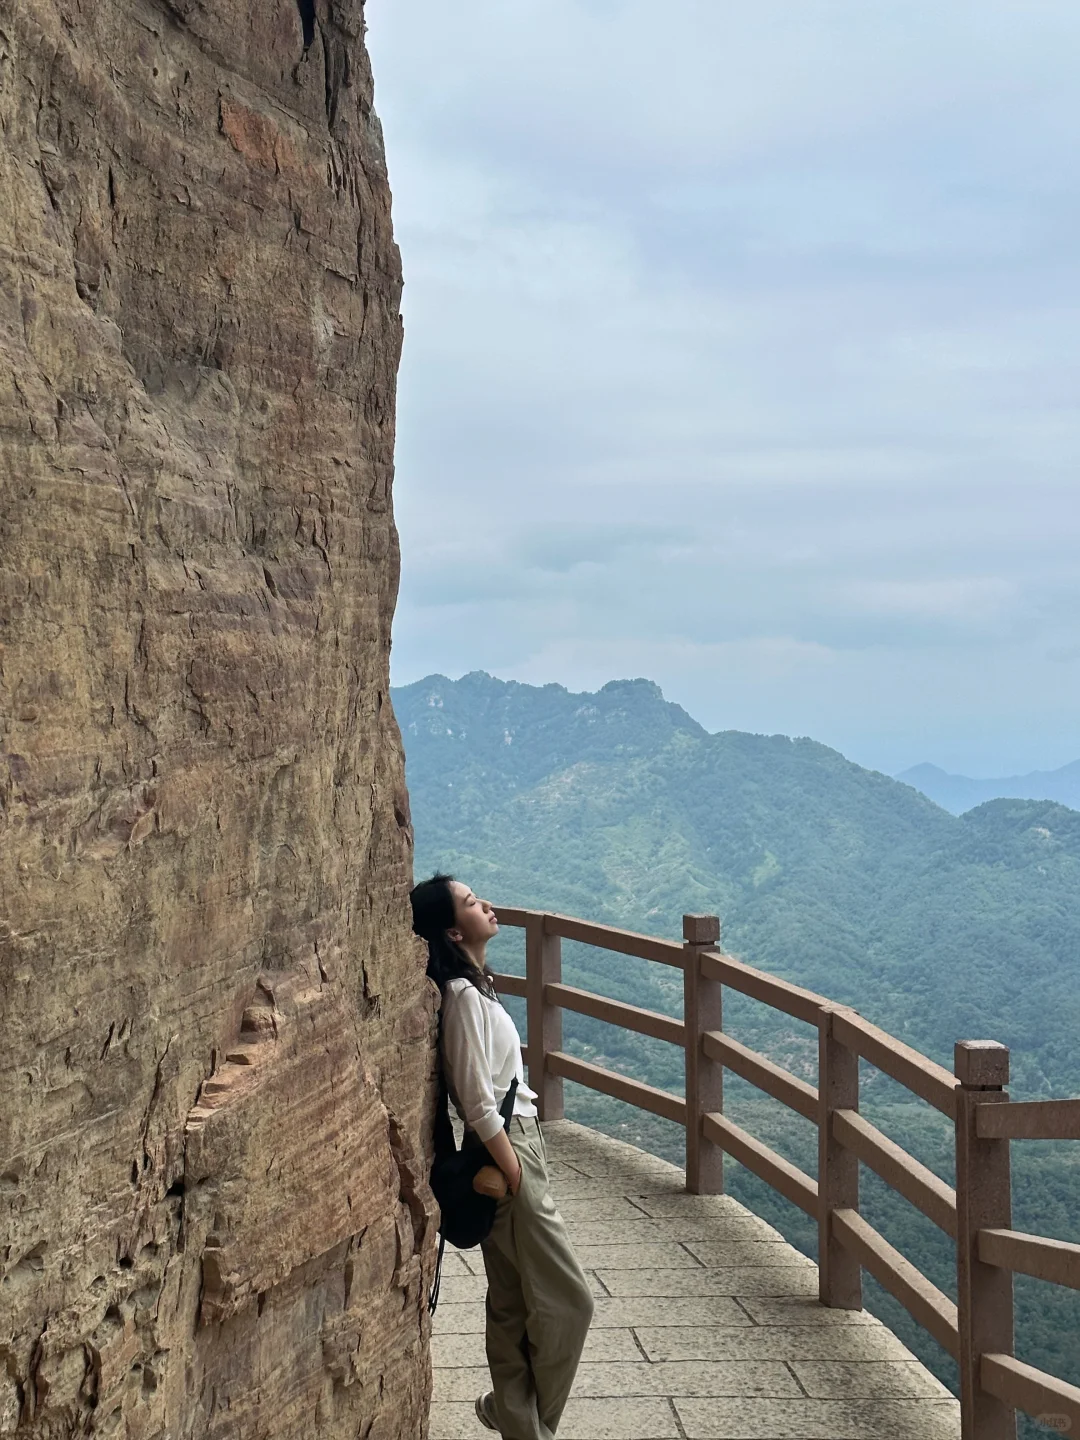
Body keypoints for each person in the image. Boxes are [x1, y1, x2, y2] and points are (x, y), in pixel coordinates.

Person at [410, 873, 594, 1440]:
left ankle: (513, 1415)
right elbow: (475, 1097)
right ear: (451, 930)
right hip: (508, 1147)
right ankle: (520, 1419)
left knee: (514, 1302)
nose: (485, 905)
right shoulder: (463, 997)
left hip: (517, 1143)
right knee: (570, 1302)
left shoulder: (477, 986)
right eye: (470, 902)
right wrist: (513, 1167)